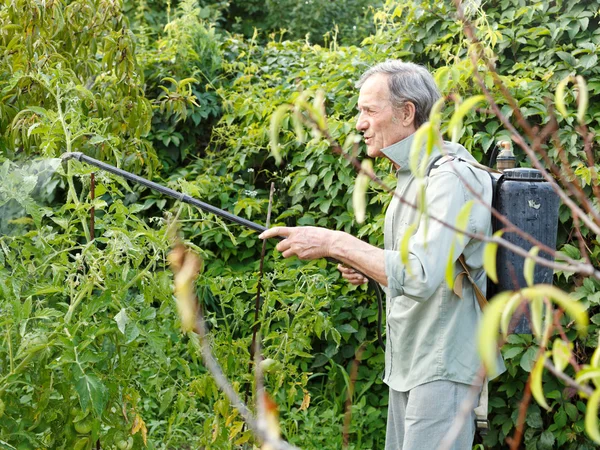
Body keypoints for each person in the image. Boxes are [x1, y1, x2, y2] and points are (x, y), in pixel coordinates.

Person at [259, 60, 504, 449]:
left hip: (441, 366)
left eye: (369, 111)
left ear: (407, 113)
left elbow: (420, 274)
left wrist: (333, 242)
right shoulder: (410, 178)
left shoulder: (451, 178)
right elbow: (418, 266)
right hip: (408, 363)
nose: (359, 123)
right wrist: (367, 267)